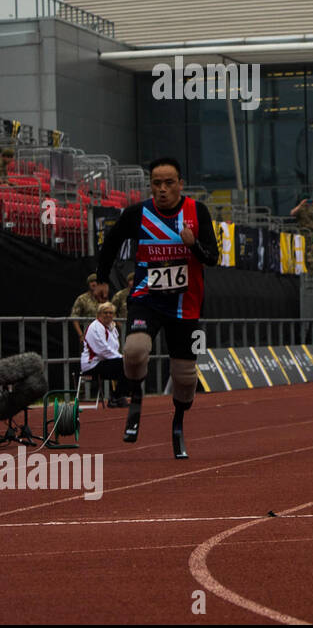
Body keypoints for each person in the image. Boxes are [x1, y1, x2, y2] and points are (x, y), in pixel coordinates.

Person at [92, 157, 219, 458]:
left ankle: (178, 423)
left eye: (169, 183)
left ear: (180, 184)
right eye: (156, 184)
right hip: (147, 297)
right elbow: (111, 243)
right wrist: (101, 279)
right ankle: (136, 395)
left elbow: (212, 257)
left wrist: (193, 246)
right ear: (150, 186)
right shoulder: (137, 213)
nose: (162, 189)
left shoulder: (196, 212)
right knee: (134, 350)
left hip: (184, 303)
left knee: (185, 378)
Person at [80, 303, 129, 407]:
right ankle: (117, 397)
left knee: (129, 365)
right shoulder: (95, 327)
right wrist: (121, 357)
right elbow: (102, 349)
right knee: (125, 364)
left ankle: (116, 396)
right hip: (91, 364)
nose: (108, 315)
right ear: (98, 314)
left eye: (111, 313)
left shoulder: (112, 328)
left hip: (103, 362)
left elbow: (114, 348)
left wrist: (121, 358)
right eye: (105, 312)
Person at [69, 274, 101, 345]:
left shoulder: (103, 298)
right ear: (88, 284)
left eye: (96, 281)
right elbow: (74, 317)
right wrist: (81, 335)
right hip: (87, 335)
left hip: (101, 335)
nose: (94, 283)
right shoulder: (82, 299)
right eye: (91, 281)